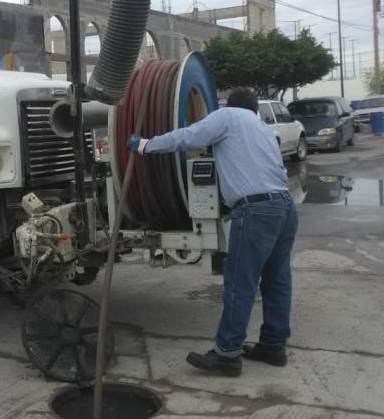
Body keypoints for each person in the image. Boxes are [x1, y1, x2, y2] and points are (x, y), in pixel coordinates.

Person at [127, 88, 299, 377]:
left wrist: (145, 145)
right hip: (284, 207)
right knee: (277, 280)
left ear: (228, 105)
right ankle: (273, 345)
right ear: (255, 108)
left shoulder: (227, 117)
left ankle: (227, 354)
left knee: (240, 283)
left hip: (255, 211)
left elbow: (187, 137)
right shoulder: (262, 127)